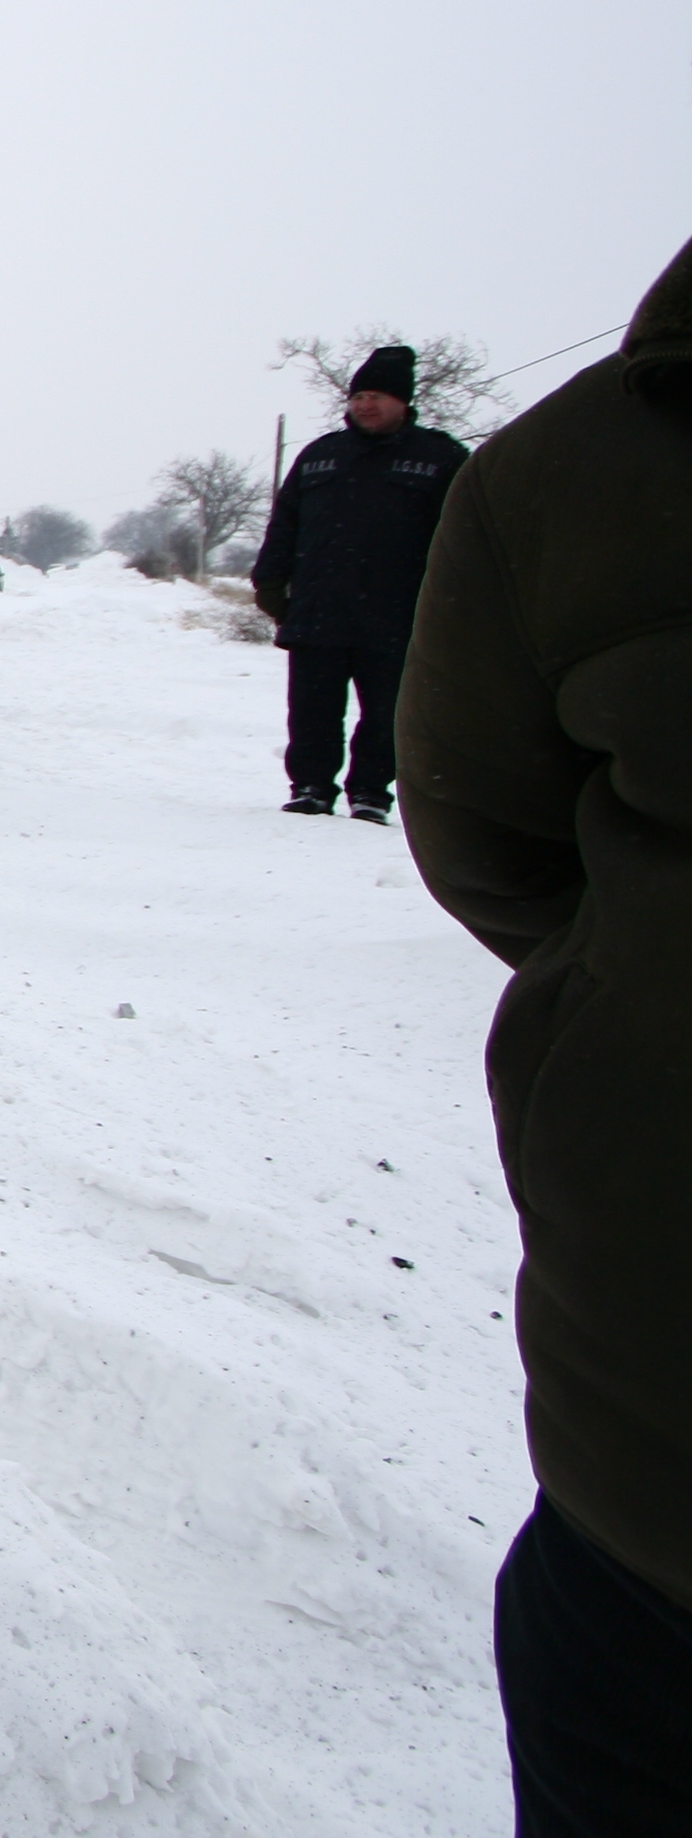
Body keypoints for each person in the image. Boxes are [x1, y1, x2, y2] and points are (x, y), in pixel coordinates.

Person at [398, 235, 692, 1831]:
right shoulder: (583, 472)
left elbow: (500, 849)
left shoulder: (548, 465)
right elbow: (495, 838)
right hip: (653, 1483)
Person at [251, 345, 471, 821]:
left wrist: (452, 606)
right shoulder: (320, 456)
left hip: (398, 615)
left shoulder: (440, 458)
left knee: (389, 712)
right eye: (358, 396)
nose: (365, 405)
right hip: (319, 610)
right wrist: (269, 582)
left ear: (403, 402)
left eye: (377, 396)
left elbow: (464, 539)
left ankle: (371, 791)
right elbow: (284, 524)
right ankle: (310, 786)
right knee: (312, 709)